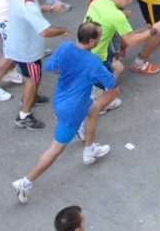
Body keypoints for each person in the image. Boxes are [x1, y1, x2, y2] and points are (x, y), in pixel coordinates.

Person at [11, 22, 119, 204]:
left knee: (93, 109)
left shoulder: (66, 47)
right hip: (72, 108)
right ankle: (25, 182)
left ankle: (89, 149)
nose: (100, 40)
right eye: (99, 37)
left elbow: (51, 67)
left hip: (63, 98)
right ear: (92, 41)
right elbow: (111, 85)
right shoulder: (93, 62)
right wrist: (117, 70)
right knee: (55, 149)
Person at [9, 0, 71, 130]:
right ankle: (24, 115)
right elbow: (46, 31)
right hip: (28, 53)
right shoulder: (27, 6)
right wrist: (63, 30)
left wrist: (50, 8)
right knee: (32, 80)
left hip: (19, 47)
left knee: (29, 77)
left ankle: (31, 98)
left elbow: (36, 8)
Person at [83, 0, 160, 82]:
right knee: (118, 69)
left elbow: (103, 17)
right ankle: (103, 89)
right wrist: (154, 30)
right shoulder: (117, 15)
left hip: (84, 45)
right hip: (98, 54)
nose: (130, 1)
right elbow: (131, 41)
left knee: (115, 56)